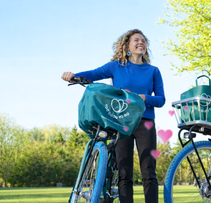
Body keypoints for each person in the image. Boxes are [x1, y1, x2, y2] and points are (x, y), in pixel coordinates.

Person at [61, 29, 165, 203]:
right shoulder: (116, 66)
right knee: (124, 173)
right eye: (136, 40)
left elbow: (161, 100)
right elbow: (94, 74)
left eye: (144, 41)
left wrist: (144, 98)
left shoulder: (153, 71)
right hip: (121, 122)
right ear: (127, 46)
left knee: (149, 171)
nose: (141, 43)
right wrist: (73, 77)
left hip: (145, 123)